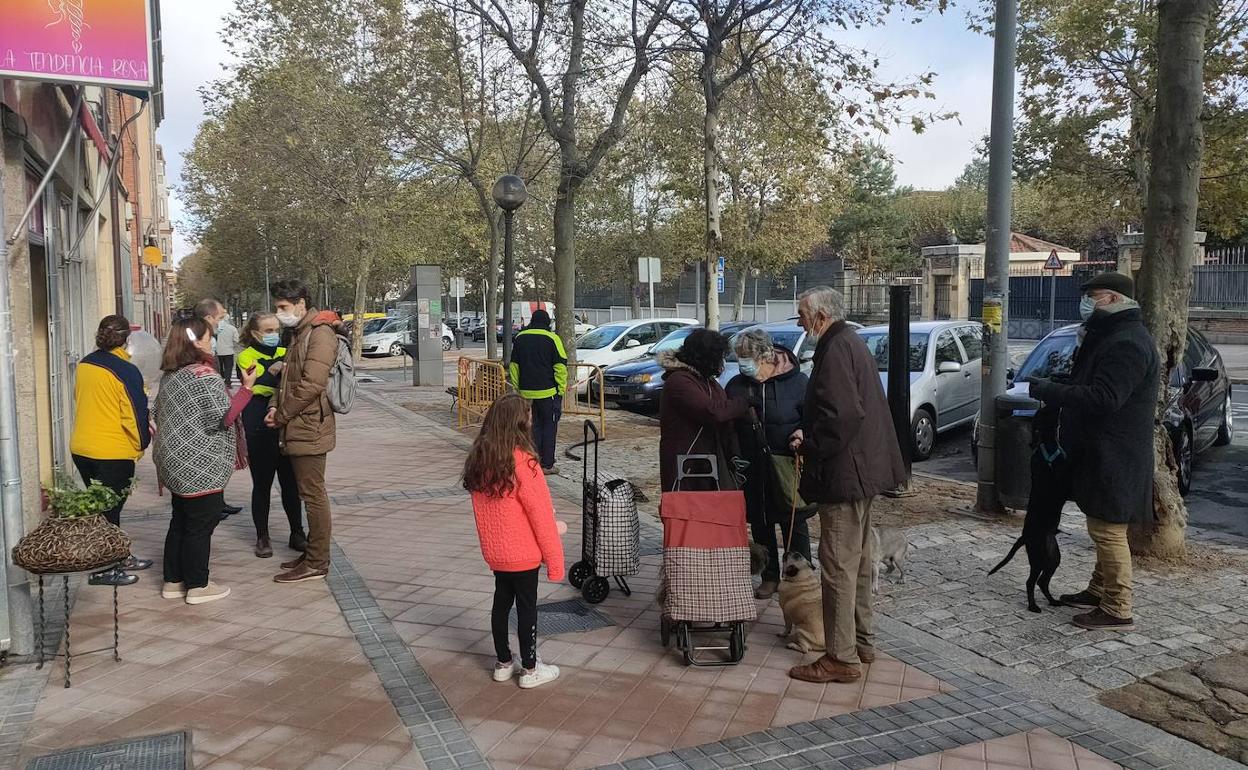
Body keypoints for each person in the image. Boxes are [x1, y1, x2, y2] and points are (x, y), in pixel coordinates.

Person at [1026, 272, 1158, 631]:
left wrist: (1049, 392)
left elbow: (1105, 398)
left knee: (1108, 530)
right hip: (1103, 450)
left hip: (1115, 453)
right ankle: (1099, 589)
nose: (1087, 304)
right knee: (1104, 524)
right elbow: (1093, 384)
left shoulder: (1127, 342)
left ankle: (1117, 607)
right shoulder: (1112, 335)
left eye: (1093, 296)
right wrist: (1060, 383)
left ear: (1114, 299)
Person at [788, 286, 905, 684]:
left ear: (821, 316)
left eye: (802, 314)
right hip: (862, 470)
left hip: (845, 474)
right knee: (856, 561)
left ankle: (841, 657)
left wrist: (811, 444)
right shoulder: (849, 342)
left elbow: (841, 416)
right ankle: (862, 642)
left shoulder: (836, 348)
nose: (799, 321)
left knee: (838, 565)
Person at [463, 393, 565, 689]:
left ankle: (503, 662)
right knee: (527, 608)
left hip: (497, 552)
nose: (532, 420)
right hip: (523, 551)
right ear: (520, 423)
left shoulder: (481, 460)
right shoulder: (524, 462)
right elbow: (540, 516)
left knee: (501, 604)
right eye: (529, 416)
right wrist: (555, 562)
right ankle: (530, 668)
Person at [153, 317, 256, 605]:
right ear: (196, 340)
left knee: (181, 520)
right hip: (199, 463)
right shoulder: (204, 376)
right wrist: (247, 389)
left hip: (171, 459)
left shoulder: (172, 375)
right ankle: (198, 585)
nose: (211, 343)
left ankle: (173, 581)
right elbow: (222, 417)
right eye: (209, 338)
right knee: (201, 524)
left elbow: (159, 413)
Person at [725, 329, 813, 600]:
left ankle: (802, 576)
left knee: (793, 523)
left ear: (766, 356)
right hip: (751, 466)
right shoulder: (738, 385)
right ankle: (769, 576)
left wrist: (802, 434)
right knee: (761, 522)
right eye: (739, 358)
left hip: (786, 464)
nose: (743, 363)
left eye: (747, 357)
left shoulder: (798, 382)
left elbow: (812, 418)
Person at [264, 279, 340, 583]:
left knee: (313, 495)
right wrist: (274, 406)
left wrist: (281, 415)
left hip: (309, 425)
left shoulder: (319, 334)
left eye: (283, 307)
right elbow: (287, 380)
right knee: (307, 492)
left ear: (301, 304)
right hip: (297, 423)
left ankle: (318, 561)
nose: (279, 313)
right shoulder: (299, 333)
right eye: (277, 307)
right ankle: (312, 553)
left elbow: (311, 384)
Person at [69, 315, 152, 587]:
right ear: (127, 339)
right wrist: (142, 443)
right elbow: (134, 414)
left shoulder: (85, 364)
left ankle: (120, 555)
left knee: (103, 508)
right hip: (112, 451)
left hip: (82, 448)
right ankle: (106, 568)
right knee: (111, 511)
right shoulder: (126, 370)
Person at [237, 312, 307, 558]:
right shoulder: (246, 356)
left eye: (275, 330)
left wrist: (284, 366)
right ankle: (262, 537)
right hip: (258, 420)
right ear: (255, 333)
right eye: (267, 331)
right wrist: (279, 370)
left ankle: (297, 532)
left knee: (290, 482)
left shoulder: (285, 350)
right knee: (263, 483)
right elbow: (257, 384)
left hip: (284, 420)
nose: (273, 335)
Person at [657, 328, 747, 493]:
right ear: (705, 357)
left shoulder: (707, 380)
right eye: (719, 357)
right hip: (688, 464)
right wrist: (744, 402)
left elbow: (724, 406)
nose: (722, 363)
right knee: (690, 513)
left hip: (708, 462)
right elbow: (712, 411)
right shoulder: (679, 380)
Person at [195, 297, 244, 518]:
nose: (221, 321)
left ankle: (218, 500)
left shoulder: (209, 337)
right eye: (220, 317)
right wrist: (247, 391)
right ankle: (213, 504)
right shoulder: (198, 340)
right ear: (208, 317)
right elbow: (224, 416)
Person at [508, 309, 567, 474]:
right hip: (548, 393)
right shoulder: (553, 339)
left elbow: (514, 366)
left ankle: (531, 461)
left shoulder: (520, 338)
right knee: (549, 427)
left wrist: (517, 388)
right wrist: (560, 390)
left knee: (530, 428)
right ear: (547, 322)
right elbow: (560, 367)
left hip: (526, 393)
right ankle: (547, 464)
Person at [216, 313, 239, 388]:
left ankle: (220, 380)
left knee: (219, 367)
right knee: (228, 367)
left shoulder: (215, 329)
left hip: (217, 351)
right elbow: (236, 340)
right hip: (229, 351)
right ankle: (228, 382)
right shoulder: (232, 328)